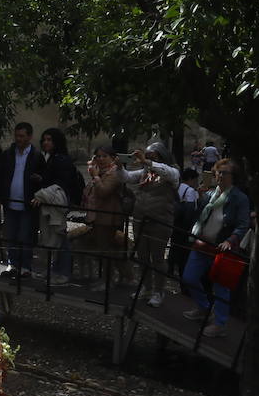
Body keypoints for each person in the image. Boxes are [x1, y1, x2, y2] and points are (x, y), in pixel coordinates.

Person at [182, 158, 251, 338]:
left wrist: (231, 240)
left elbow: (243, 224)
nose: (219, 176)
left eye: (224, 173)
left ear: (233, 176)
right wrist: (199, 198)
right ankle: (204, 308)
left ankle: (219, 323)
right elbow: (201, 218)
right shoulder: (211, 194)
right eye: (218, 172)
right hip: (202, 244)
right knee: (189, 277)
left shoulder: (239, 198)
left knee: (221, 287)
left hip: (222, 249)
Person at [125, 142, 181, 306]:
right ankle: (146, 288)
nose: (147, 160)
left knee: (157, 257)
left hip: (160, 221)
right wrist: (119, 167)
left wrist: (147, 162)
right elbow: (127, 178)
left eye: (152, 157)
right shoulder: (145, 172)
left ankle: (159, 291)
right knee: (142, 256)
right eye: (146, 156)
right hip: (140, 219)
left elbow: (167, 172)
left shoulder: (172, 171)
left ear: (162, 157)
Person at [0, 122, 44, 276]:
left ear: (29, 137)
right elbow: (1, 176)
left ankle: (25, 266)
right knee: (11, 234)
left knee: (25, 235)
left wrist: (39, 180)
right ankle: (12, 264)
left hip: (27, 203)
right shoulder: (8, 154)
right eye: (16, 136)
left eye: (22, 136)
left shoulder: (36, 156)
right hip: (10, 202)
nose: (18, 139)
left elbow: (44, 179)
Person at [36, 128, 79, 282]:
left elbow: (61, 183)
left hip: (57, 201)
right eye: (44, 140)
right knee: (53, 238)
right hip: (51, 201)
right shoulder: (52, 157)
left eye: (49, 140)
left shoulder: (61, 159)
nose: (46, 143)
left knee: (60, 237)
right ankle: (55, 269)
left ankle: (64, 272)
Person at [82, 146, 128, 289]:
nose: (101, 159)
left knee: (106, 249)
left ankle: (108, 281)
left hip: (109, 216)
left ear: (112, 158)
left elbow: (103, 192)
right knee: (103, 248)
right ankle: (106, 279)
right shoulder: (101, 172)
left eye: (104, 156)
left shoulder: (114, 173)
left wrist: (95, 176)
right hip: (99, 215)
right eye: (98, 156)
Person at [169, 167, 202, 278]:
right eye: (195, 180)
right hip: (184, 224)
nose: (196, 183)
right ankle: (181, 271)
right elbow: (190, 210)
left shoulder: (177, 187)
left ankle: (170, 268)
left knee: (173, 246)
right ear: (190, 179)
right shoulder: (190, 191)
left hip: (175, 221)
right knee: (183, 249)